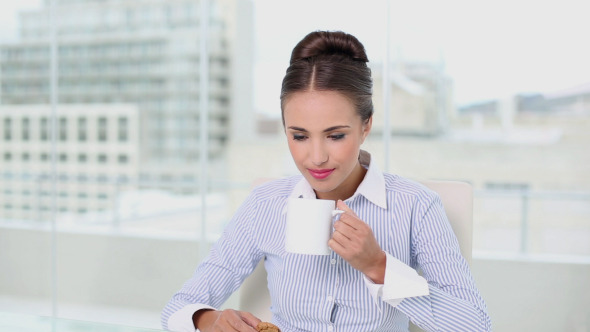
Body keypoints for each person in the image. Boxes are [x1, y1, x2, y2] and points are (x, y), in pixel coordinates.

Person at [162, 30, 491, 332]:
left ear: (366, 126)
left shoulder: (415, 206)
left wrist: (379, 266)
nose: (316, 157)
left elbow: (475, 325)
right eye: (300, 136)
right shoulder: (265, 204)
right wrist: (208, 320)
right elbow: (177, 308)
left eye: (335, 135)